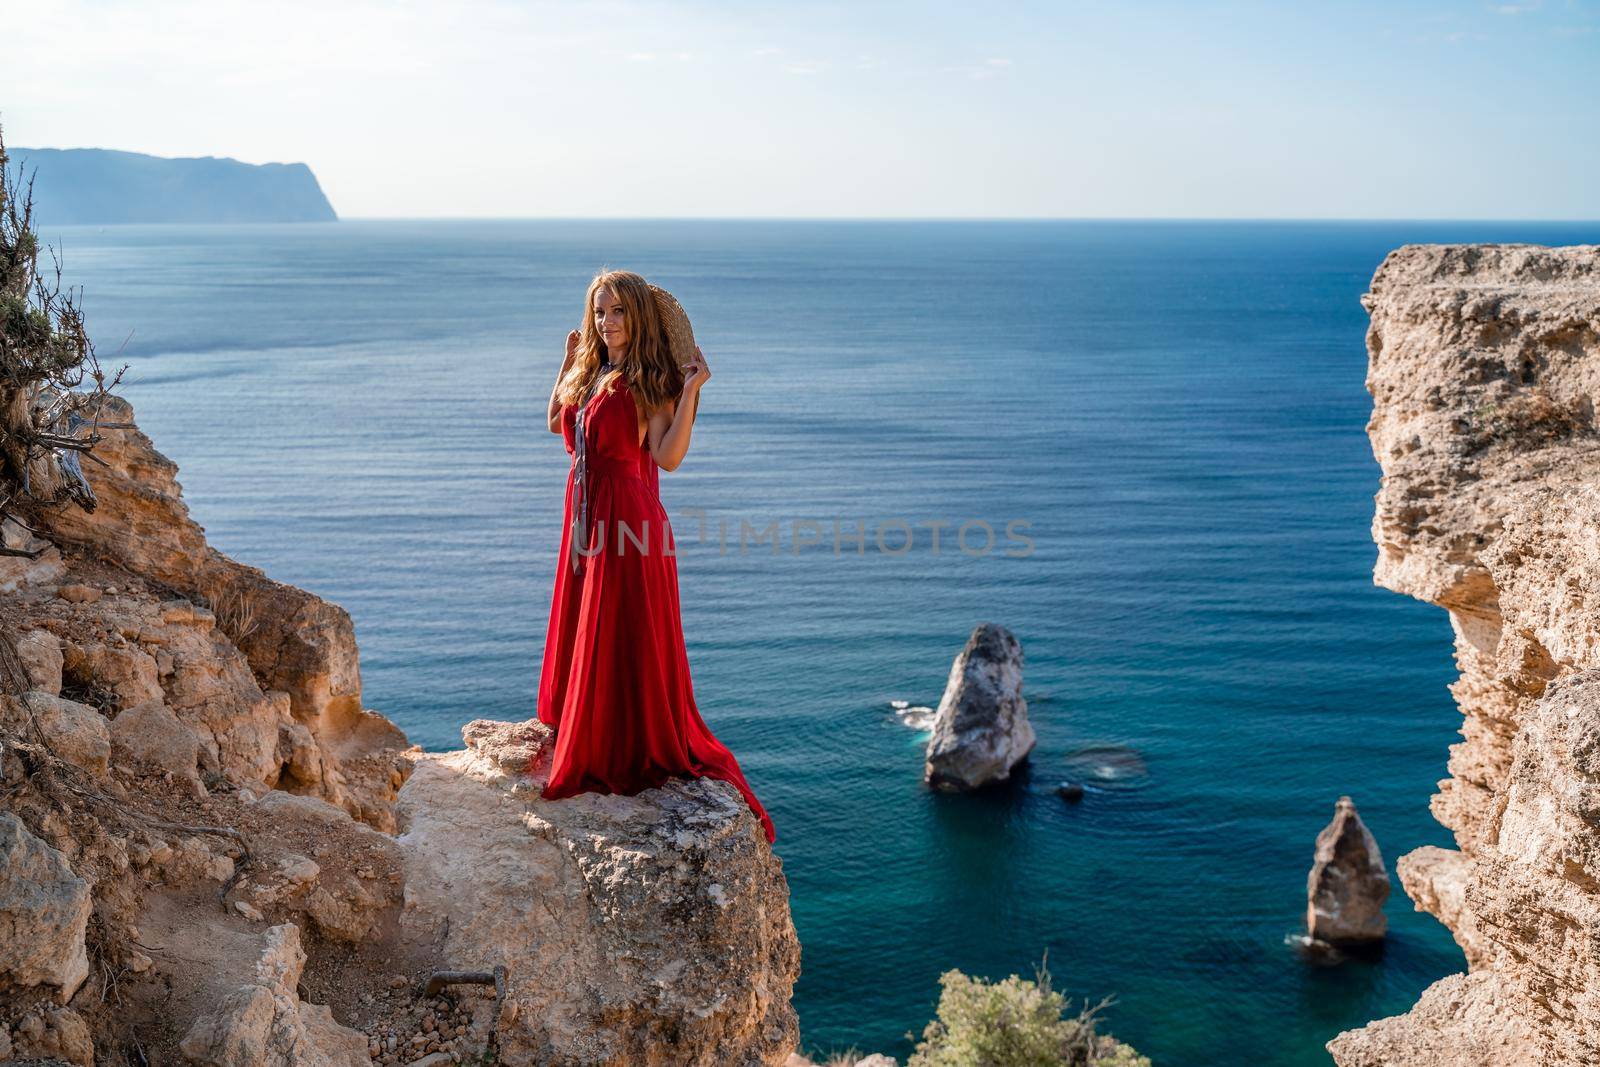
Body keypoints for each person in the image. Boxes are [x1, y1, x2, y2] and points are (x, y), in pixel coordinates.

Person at [535, 269, 777, 845]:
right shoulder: (594, 373)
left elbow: (668, 458)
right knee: (594, 624)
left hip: (628, 520)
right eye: (599, 312)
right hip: (588, 515)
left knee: (625, 629)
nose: (606, 322)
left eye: (617, 311)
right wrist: (567, 361)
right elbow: (555, 425)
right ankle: (585, 722)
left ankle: (621, 739)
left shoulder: (649, 381)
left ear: (638, 317)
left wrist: (691, 391)